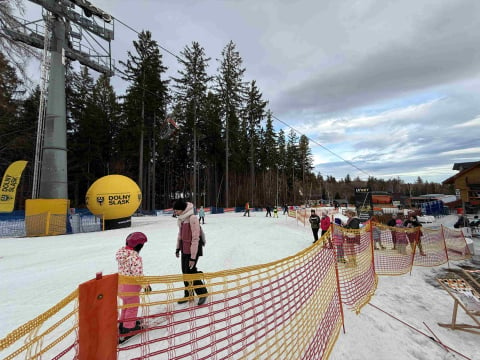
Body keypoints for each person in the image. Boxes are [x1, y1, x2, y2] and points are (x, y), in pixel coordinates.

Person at [173, 199, 208, 305]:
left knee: (191, 273)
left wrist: (193, 257)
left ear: (182, 209)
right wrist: (178, 248)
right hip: (185, 249)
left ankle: (202, 293)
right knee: (185, 273)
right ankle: (188, 294)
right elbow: (180, 235)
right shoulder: (181, 219)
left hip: (194, 249)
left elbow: (195, 238)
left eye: (176, 210)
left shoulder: (192, 218)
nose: (175, 212)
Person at [116, 232, 151, 338]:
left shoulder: (122, 253)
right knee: (132, 306)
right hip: (130, 288)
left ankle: (123, 322)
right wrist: (146, 285)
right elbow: (138, 274)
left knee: (126, 306)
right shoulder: (134, 258)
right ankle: (128, 328)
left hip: (121, 286)